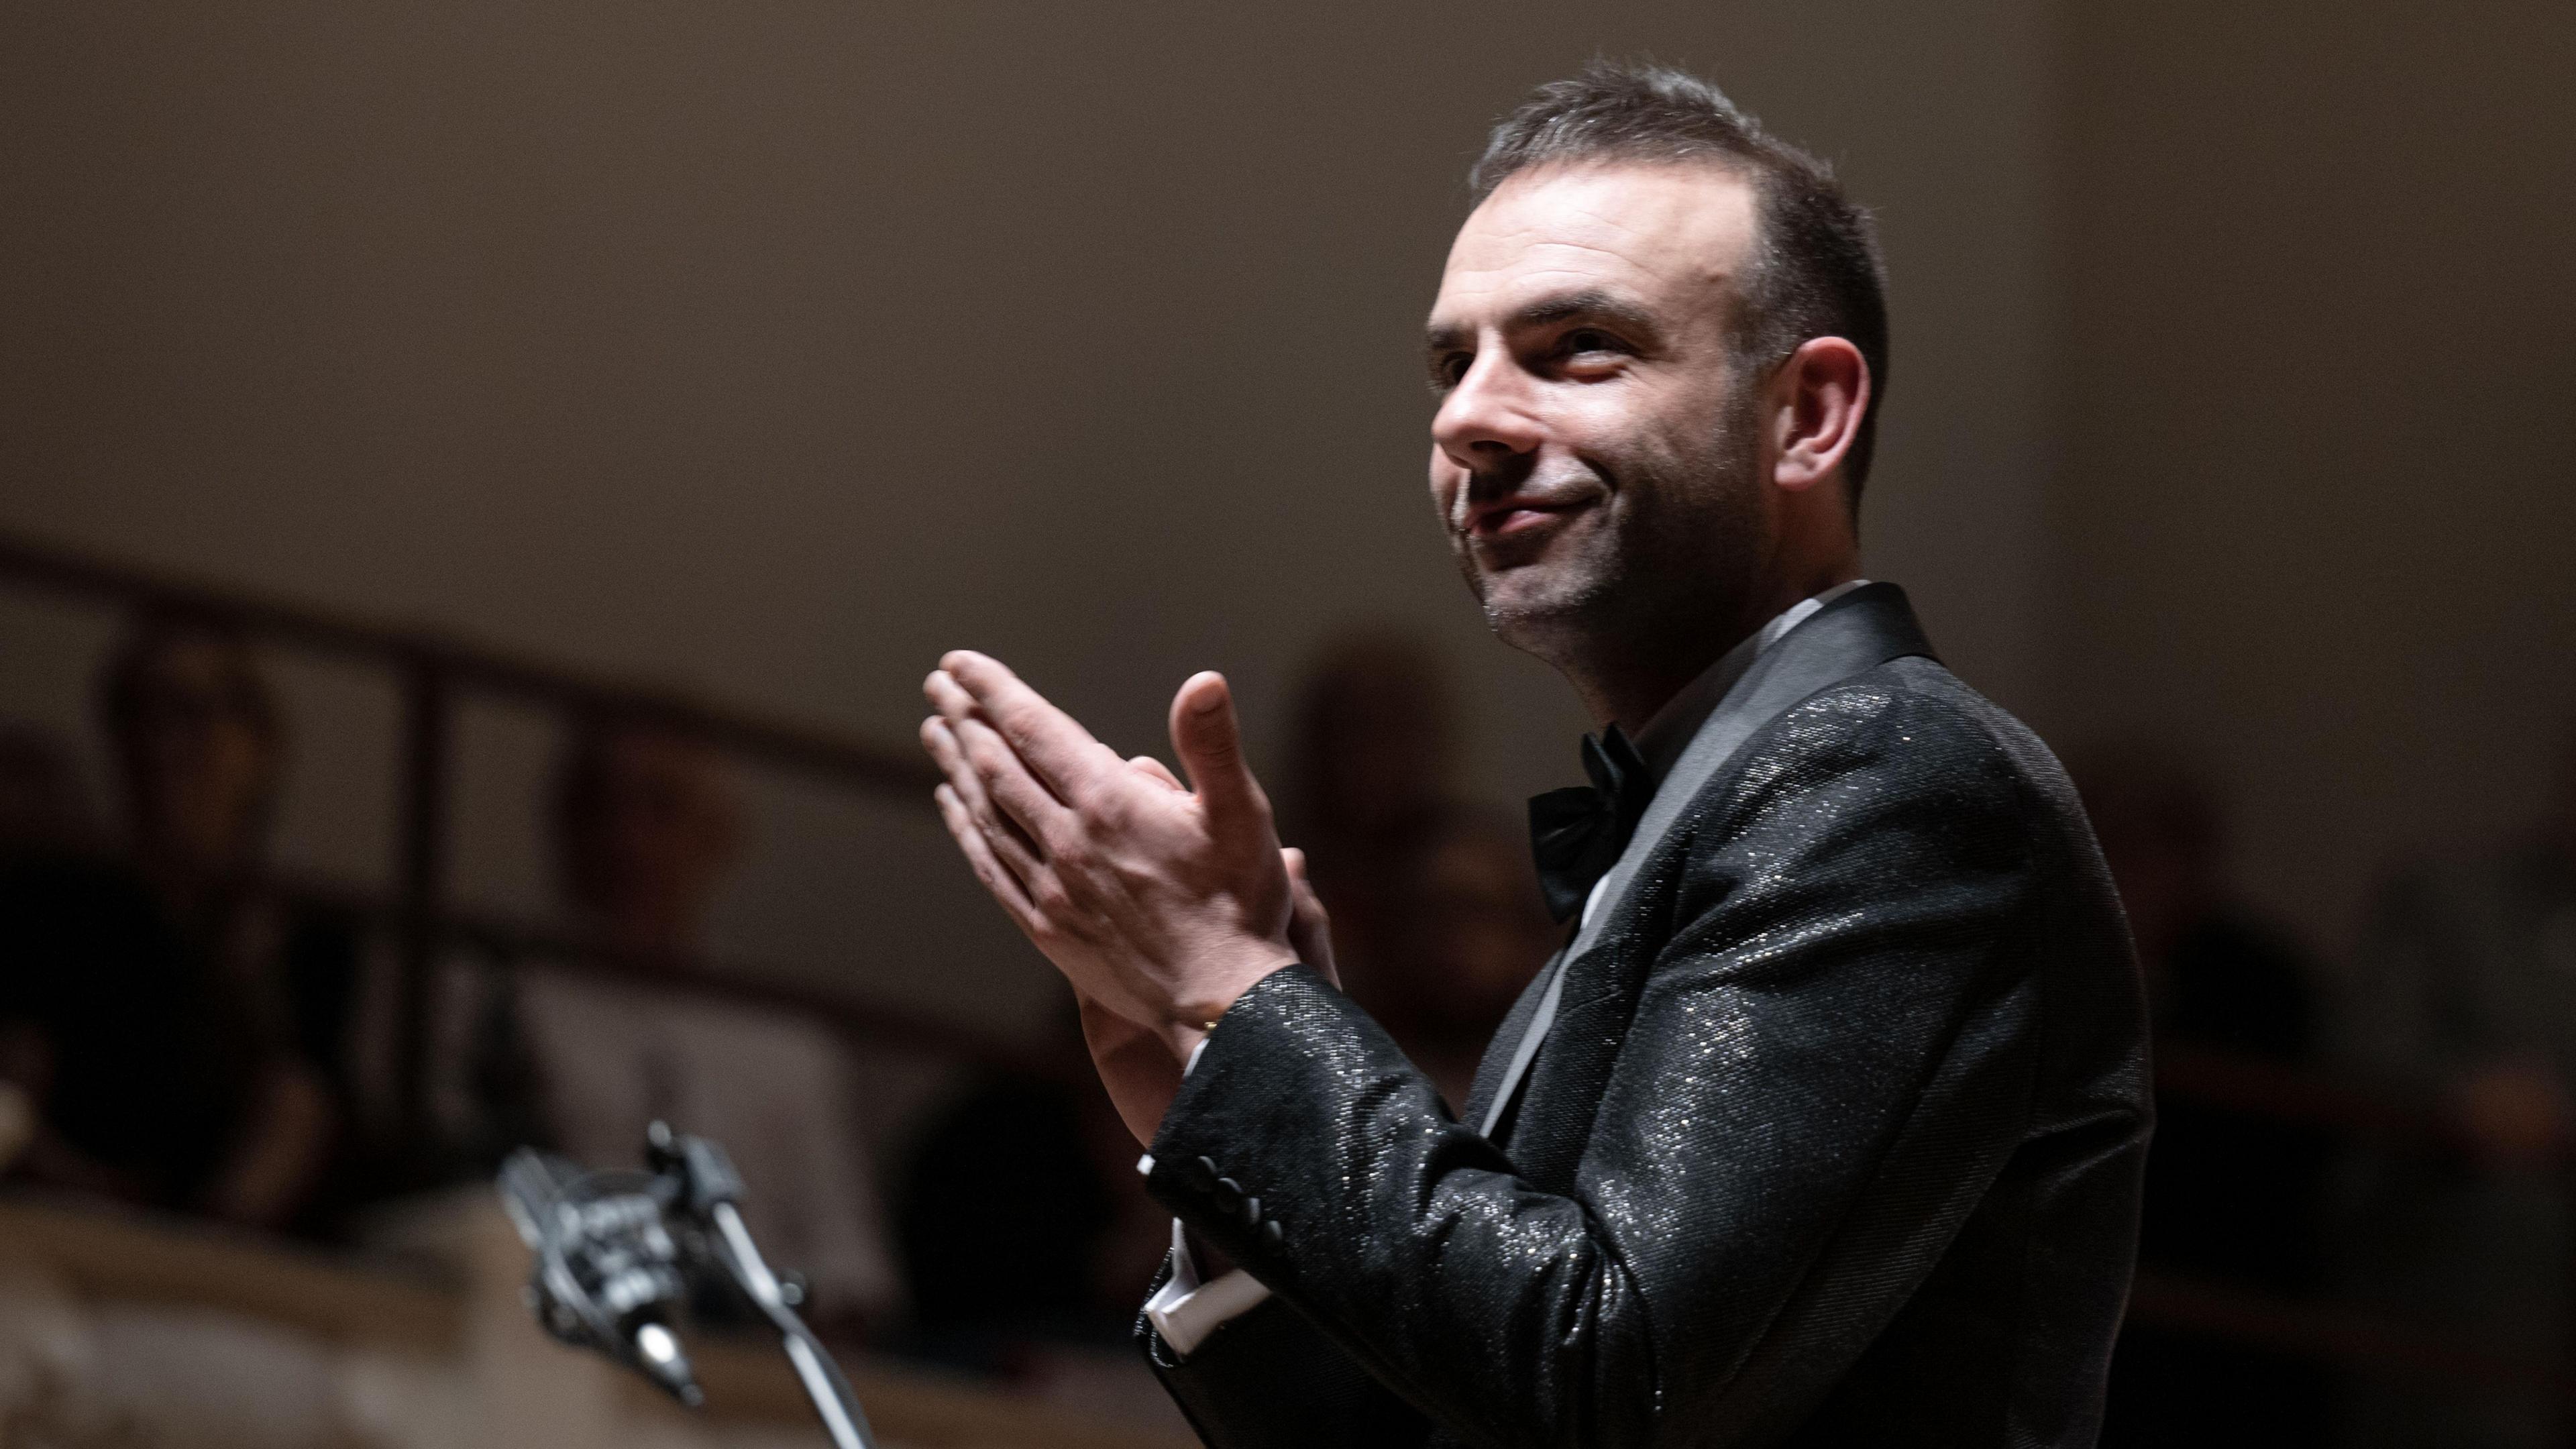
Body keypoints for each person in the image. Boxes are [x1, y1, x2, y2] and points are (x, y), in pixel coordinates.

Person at [920, 61, 2147, 1447]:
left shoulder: (1900, 778)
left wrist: (1241, 995)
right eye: (1456, 361)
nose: (1468, 420)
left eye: (1580, 348)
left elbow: (1605, 1379)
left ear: (1805, 416)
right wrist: (1233, 1098)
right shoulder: (1706, 813)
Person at [0, 616, 353, 1230]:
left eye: (193, 713)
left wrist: (206, 1233)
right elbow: (17, 1086)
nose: (163, 745)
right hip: (70, 1228)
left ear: (260, 746)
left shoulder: (306, 931)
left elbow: (309, 1107)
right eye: (140, 714)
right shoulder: (57, 900)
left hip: (238, 1251)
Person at [2078, 749, 2335, 1447]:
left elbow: (2270, 1174)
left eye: (2151, 849)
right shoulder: (2048, 948)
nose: (2130, 874)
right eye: (2109, 843)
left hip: (2209, 1307)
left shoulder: (2261, 983)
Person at [2337, 721, 2576, 1449]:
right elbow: (2367, 1050)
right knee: (2515, 1227)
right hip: (2454, 1204)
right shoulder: (2446, 893)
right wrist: (2466, 1095)